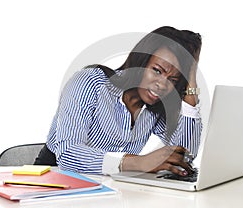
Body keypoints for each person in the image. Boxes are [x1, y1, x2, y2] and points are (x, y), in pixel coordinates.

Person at [35, 26, 203, 177]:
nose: (162, 84)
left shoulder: (155, 106)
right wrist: (139, 163)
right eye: (157, 70)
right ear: (140, 61)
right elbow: (67, 155)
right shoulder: (90, 82)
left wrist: (191, 83)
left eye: (173, 79)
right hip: (52, 180)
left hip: (105, 187)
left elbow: (184, 155)